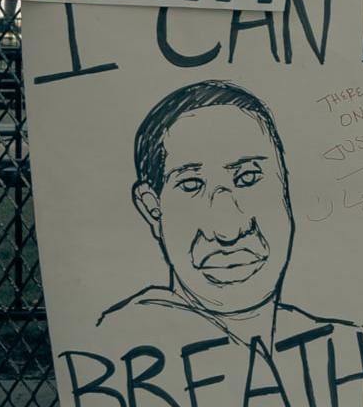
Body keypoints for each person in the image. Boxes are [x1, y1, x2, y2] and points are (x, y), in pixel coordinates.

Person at [97, 79, 346, 353]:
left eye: (249, 177)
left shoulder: (349, 351)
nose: (229, 230)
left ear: (286, 186)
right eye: (191, 185)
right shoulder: (114, 353)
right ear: (153, 209)